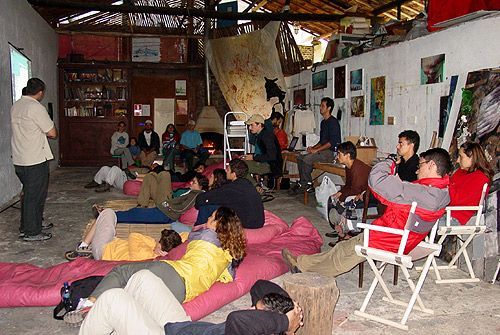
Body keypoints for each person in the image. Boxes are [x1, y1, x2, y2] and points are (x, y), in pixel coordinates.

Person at [282, 148, 452, 277]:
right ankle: (303, 262)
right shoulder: (442, 193)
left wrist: (390, 162)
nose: (417, 170)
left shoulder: (420, 192)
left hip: (387, 239)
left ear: (431, 165)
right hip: (403, 239)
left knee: (343, 254)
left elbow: (376, 180)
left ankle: (305, 270)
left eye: (420, 165)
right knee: (342, 247)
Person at [69, 206, 247, 327]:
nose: (207, 219)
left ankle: (89, 304)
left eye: (211, 217)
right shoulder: (228, 255)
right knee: (133, 297)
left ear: (218, 224)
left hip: (172, 272)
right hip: (182, 293)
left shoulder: (205, 235)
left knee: (121, 272)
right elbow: (227, 276)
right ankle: (102, 314)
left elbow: (191, 233)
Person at [79, 276, 302, 335]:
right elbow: (258, 285)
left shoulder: (246, 328)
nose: (251, 309)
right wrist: (290, 308)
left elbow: (237, 319)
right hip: (180, 326)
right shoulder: (264, 325)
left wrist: (285, 322)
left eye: (257, 312)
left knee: (112, 299)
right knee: (143, 279)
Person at [11, 78, 57, 241]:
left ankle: (31, 224)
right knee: (35, 195)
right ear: (40, 92)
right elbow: (52, 133)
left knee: (28, 194)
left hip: (20, 158)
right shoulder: (35, 107)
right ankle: (31, 232)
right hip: (35, 159)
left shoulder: (16, 105)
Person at [64, 207, 182, 261]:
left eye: (158, 242)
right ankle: (87, 249)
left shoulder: (145, 255)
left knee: (107, 213)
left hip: (102, 249)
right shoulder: (154, 254)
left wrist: (153, 245)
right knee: (107, 219)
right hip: (111, 243)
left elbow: (134, 236)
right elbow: (186, 236)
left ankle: (82, 247)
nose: (156, 241)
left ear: (162, 249)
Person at [195, 159, 265, 229]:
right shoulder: (247, 184)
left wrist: (199, 203)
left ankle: (198, 230)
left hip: (247, 224)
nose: (225, 171)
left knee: (207, 207)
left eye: (228, 170)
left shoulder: (233, 187)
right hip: (258, 222)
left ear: (234, 174)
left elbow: (204, 198)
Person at [292, 97, 341, 193]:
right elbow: (322, 141)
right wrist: (312, 148)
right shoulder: (323, 122)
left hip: (331, 152)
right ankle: (303, 183)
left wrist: (316, 150)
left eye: (323, 106)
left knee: (307, 159)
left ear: (329, 108)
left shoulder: (333, 122)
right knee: (300, 157)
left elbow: (332, 142)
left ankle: (308, 184)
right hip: (323, 150)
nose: (320, 108)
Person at [326, 141, 372, 243]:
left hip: (365, 196)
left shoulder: (358, 168)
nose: (337, 156)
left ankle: (345, 232)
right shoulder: (348, 166)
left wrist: (342, 196)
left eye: (339, 154)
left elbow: (356, 189)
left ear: (347, 155)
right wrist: (340, 192)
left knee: (344, 202)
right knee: (332, 199)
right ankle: (338, 228)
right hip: (356, 191)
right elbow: (348, 185)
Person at [115, 174, 209, 223]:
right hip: (164, 206)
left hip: (166, 214)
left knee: (136, 213)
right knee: (150, 177)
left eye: (194, 182)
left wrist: (168, 205)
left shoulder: (196, 194)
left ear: (200, 186)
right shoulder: (191, 191)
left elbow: (183, 207)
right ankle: (141, 203)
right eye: (192, 181)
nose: (191, 183)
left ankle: (111, 215)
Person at [442, 142, 493, 226]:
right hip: (444, 211)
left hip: (454, 217)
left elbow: (456, 199)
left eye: (461, 157)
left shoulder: (480, 178)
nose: (458, 160)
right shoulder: (461, 171)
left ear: (472, 157)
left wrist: (445, 181)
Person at [243, 114, 283, 183]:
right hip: (266, 163)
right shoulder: (261, 135)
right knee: (238, 164)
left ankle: (256, 187)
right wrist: (250, 156)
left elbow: (271, 156)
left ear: (259, 125)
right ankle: (255, 186)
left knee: (239, 167)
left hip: (270, 166)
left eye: (252, 125)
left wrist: (253, 157)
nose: (249, 128)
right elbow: (263, 153)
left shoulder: (266, 136)